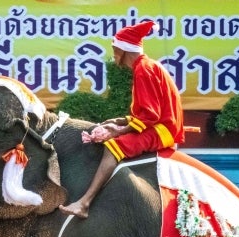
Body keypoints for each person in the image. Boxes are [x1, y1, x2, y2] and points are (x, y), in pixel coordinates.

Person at [59, 19, 184, 219]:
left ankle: (84, 203)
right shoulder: (145, 67)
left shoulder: (144, 70)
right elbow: (146, 113)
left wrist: (119, 131)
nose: (114, 52)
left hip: (162, 131)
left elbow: (150, 116)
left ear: (125, 49)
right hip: (161, 126)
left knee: (113, 147)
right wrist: (118, 121)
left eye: (115, 48)